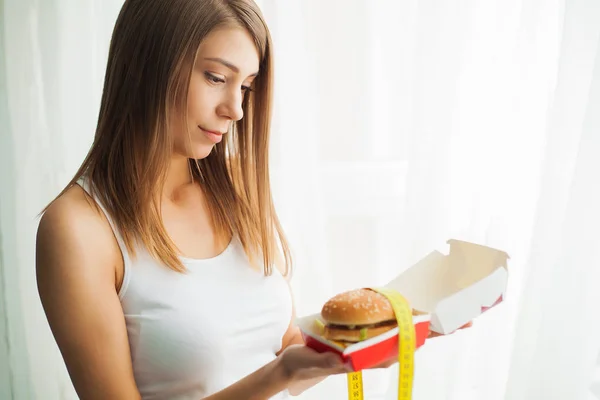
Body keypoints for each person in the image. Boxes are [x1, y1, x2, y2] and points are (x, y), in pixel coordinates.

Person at [35, 1, 470, 399]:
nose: (236, 110)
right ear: (148, 63)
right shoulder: (78, 230)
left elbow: (286, 349)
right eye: (216, 78)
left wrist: (394, 327)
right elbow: (280, 368)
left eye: (245, 86)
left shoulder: (236, 190)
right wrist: (279, 375)